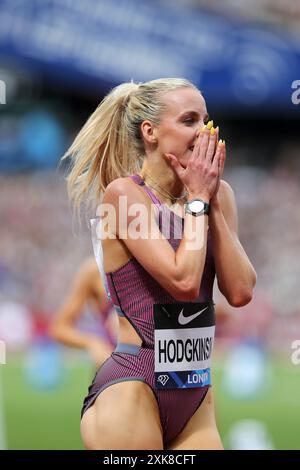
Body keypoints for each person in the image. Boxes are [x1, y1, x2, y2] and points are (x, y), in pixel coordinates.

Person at [62, 78, 257, 450]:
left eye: (205, 119)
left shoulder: (220, 195)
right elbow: (182, 281)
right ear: (150, 131)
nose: (204, 132)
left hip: (195, 391)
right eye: (189, 120)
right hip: (134, 384)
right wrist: (199, 198)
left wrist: (211, 201)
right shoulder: (125, 195)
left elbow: (241, 291)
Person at [49, 257, 117, 367]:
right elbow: (59, 327)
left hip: (151, 359)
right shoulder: (95, 271)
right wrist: (93, 343)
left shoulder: (151, 260)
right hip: (115, 366)